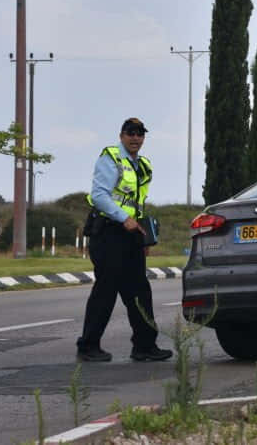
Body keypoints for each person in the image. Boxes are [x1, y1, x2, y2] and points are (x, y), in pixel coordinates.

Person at [75, 118, 173, 363]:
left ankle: (144, 346)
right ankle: (88, 346)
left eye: (140, 134)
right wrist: (122, 218)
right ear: (121, 135)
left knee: (140, 291)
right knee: (106, 291)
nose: (135, 138)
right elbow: (98, 196)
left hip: (131, 235)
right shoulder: (111, 158)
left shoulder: (143, 165)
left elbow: (136, 204)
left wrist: (144, 236)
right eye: (131, 133)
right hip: (108, 232)